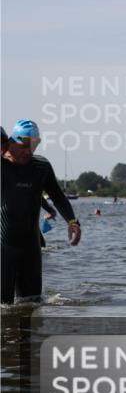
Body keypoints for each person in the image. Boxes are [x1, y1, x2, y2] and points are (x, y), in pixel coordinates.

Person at [1, 120, 81, 304]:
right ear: (10, 142)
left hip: (31, 248)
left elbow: (59, 197)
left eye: (33, 146)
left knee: (33, 304)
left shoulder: (41, 167)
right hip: (3, 247)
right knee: (3, 307)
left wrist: (72, 222)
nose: (28, 152)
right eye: (23, 146)